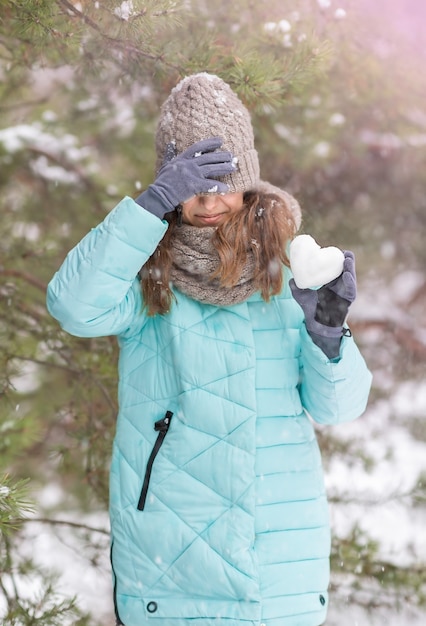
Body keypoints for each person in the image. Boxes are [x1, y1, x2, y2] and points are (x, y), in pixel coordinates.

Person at [46, 73, 372, 626]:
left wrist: (329, 332)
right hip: (170, 563)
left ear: (247, 180)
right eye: (190, 182)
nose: (209, 199)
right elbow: (74, 306)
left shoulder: (289, 270)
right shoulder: (146, 272)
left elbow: (338, 408)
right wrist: (148, 208)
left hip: (279, 568)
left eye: (223, 179)